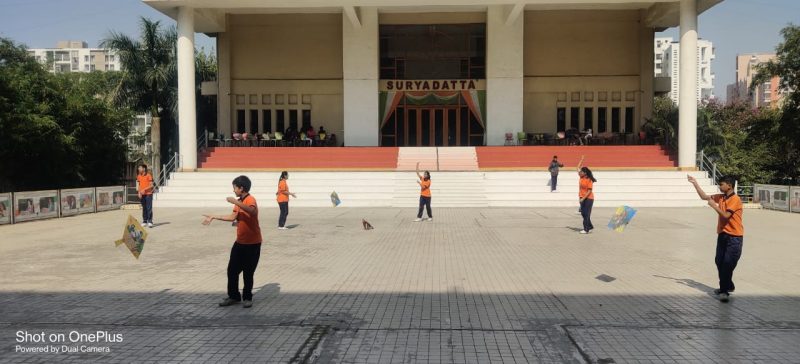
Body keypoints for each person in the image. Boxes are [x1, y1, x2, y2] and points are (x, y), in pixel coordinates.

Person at [202, 175, 263, 308]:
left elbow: (252, 211)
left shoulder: (250, 200)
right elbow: (232, 217)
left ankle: (247, 298)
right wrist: (214, 216)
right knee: (232, 270)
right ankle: (234, 296)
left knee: (248, 272)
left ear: (241, 188)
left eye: (235, 187)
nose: (234, 190)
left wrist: (236, 202)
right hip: (240, 243)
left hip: (253, 244)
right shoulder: (239, 201)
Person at [688, 175, 744, 303]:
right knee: (719, 261)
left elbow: (725, 216)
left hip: (734, 237)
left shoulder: (735, 199)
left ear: (729, 186)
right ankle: (728, 285)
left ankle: (724, 291)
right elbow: (704, 197)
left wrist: (714, 206)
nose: (720, 186)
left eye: (722, 184)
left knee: (727, 264)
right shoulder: (722, 197)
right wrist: (695, 183)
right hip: (723, 235)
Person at [576, 155, 596, 234]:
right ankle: (590, 226)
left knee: (587, 214)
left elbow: (589, 191)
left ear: (585, 173)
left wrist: (583, 198)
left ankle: (586, 229)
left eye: (581, 172)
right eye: (580, 172)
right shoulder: (581, 177)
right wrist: (581, 160)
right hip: (581, 197)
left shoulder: (589, 179)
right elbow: (577, 167)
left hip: (588, 199)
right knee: (583, 213)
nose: (580, 172)